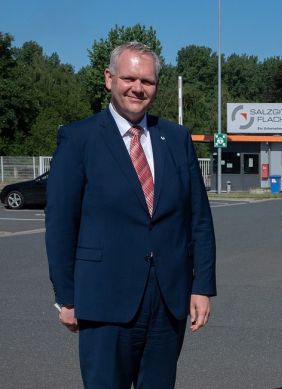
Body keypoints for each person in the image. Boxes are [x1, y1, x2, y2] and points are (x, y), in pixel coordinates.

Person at [45, 41, 216, 388]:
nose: (138, 88)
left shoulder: (176, 137)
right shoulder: (78, 138)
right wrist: (67, 296)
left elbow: (198, 217)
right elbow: (61, 224)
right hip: (104, 299)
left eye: (147, 81)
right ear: (109, 79)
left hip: (168, 301)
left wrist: (202, 286)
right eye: (129, 78)